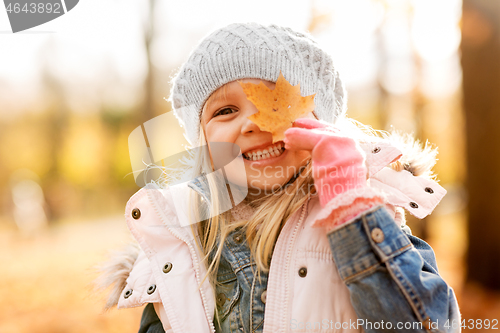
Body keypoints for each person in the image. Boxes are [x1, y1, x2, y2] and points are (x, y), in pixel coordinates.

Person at [98, 22, 461, 333]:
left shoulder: (371, 217)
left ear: (321, 124)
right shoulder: (180, 248)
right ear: (203, 144)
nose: (254, 122)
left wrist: (351, 205)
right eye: (225, 111)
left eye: (277, 103)